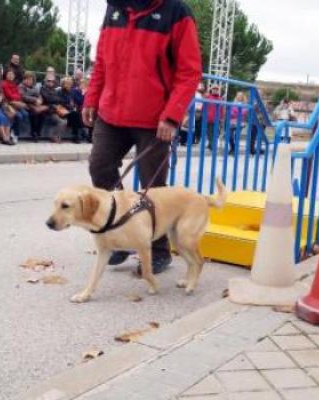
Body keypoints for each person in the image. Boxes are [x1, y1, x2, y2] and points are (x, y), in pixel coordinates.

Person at [83, 0, 202, 274]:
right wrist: (92, 97)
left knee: (153, 186)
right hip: (112, 112)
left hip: (154, 118)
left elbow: (189, 71)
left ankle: (159, 250)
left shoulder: (177, 12)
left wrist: (172, 115)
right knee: (99, 166)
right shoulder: (114, 9)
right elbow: (101, 61)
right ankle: (120, 237)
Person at [57, 76, 88, 143]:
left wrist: (72, 106)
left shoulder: (70, 92)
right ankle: (80, 132)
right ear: (63, 84)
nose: (69, 85)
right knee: (75, 114)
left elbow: (73, 102)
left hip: (69, 111)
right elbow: (59, 102)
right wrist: (69, 105)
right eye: (67, 84)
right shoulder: (60, 91)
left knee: (75, 114)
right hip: (62, 110)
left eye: (70, 84)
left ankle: (76, 135)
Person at [0, 69, 29, 140]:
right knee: (18, 116)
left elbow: (19, 95)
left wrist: (16, 99)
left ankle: (14, 130)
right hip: (8, 104)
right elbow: (9, 95)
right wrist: (15, 99)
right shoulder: (3, 84)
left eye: (12, 74)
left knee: (25, 114)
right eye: (9, 74)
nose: (11, 76)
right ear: (6, 75)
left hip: (16, 104)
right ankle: (15, 134)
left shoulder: (14, 84)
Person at [19, 72, 48, 141]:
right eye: (27, 79)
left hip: (35, 105)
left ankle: (38, 132)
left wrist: (40, 100)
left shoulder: (34, 87)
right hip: (26, 105)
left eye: (31, 79)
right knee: (34, 113)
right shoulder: (21, 86)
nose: (29, 81)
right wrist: (35, 100)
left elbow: (39, 95)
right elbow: (23, 97)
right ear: (24, 79)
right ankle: (33, 132)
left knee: (43, 113)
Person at [204, 85, 223, 151]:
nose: (215, 90)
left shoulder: (220, 99)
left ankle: (210, 145)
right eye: (214, 89)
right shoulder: (207, 97)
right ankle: (212, 146)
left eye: (216, 89)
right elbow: (203, 106)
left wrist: (222, 117)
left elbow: (221, 109)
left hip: (217, 119)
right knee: (209, 132)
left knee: (216, 133)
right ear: (211, 90)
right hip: (208, 118)